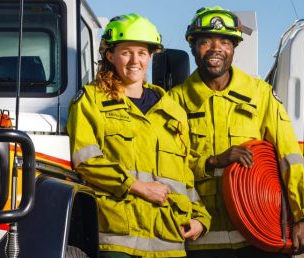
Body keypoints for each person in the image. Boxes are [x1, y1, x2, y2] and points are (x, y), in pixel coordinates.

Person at [168, 6, 304, 258]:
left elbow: (289, 157)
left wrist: (302, 216)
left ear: (234, 48)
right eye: (205, 41)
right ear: (193, 47)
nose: (216, 48)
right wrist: (213, 161)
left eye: (225, 42)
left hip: (258, 235)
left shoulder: (259, 94)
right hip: (203, 238)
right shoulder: (175, 101)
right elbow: (170, 166)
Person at [67, 13, 210, 258]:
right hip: (118, 240)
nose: (135, 60)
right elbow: (86, 160)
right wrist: (138, 187)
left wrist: (200, 217)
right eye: (126, 52)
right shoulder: (91, 100)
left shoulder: (172, 110)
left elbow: (184, 174)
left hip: (169, 239)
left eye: (142, 53)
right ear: (110, 56)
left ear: (151, 57)